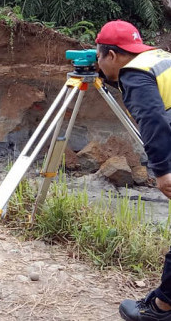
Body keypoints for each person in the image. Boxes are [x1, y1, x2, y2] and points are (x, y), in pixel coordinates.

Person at [94, 20, 171, 321]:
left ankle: (162, 308)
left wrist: (163, 170)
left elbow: (153, 122)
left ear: (111, 55)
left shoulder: (134, 74)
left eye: (100, 56)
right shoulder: (158, 57)